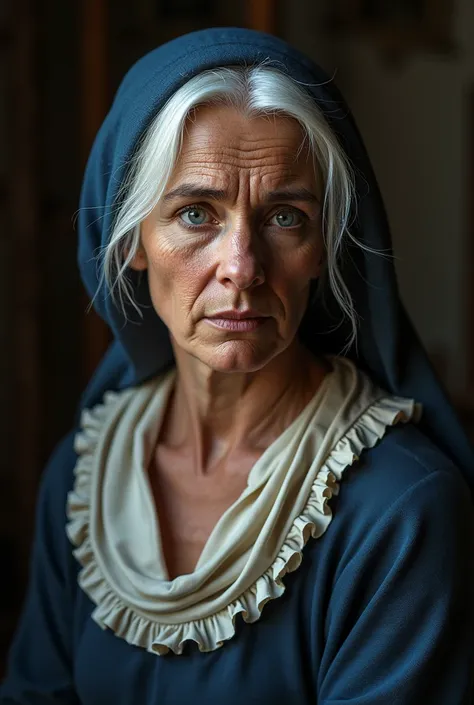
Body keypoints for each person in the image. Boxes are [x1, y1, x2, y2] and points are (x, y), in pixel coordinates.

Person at [2, 27, 474, 705]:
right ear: (134, 240)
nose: (243, 268)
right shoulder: (85, 480)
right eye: (196, 213)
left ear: (324, 248)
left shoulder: (399, 510)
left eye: (285, 216)